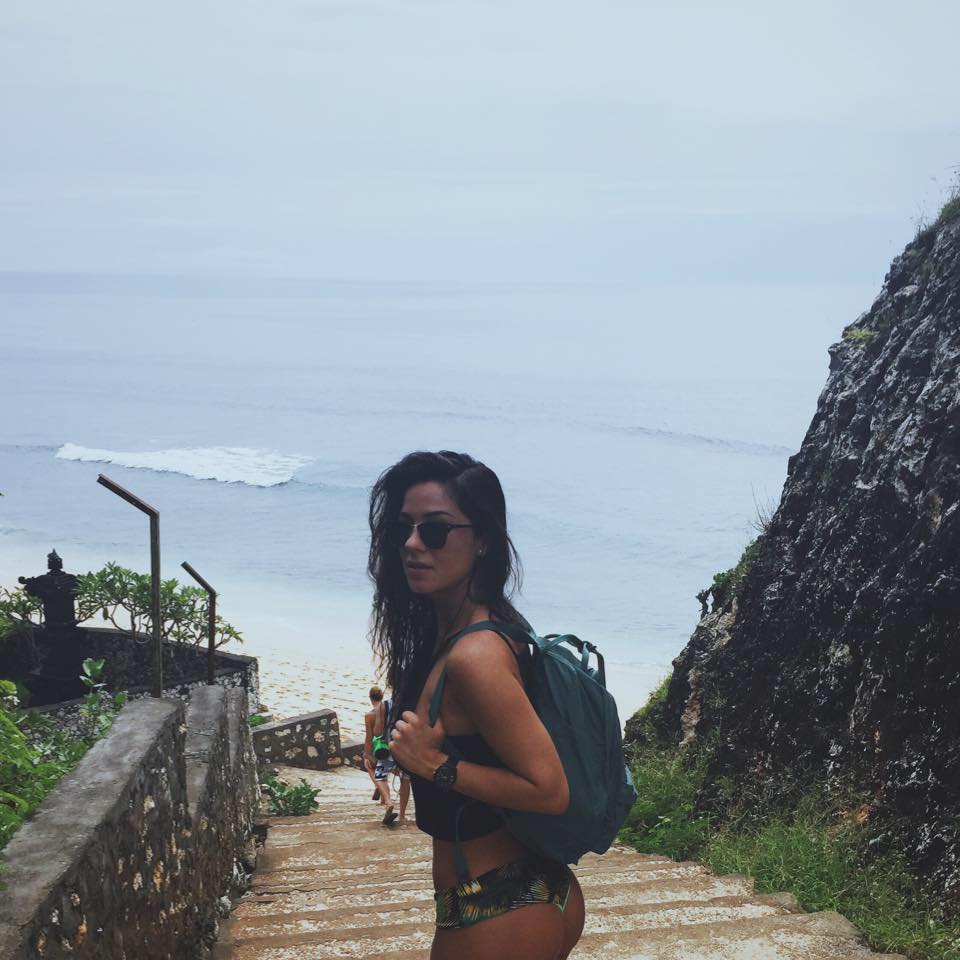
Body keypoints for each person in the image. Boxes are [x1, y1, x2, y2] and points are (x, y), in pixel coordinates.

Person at [368, 451, 584, 960]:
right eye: (404, 528)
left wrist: (434, 765)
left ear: (482, 539)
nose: (413, 544)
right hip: (523, 890)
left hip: (496, 908)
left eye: (435, 531)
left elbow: (549, 789)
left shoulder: (475, 654)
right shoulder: (485, 626)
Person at [364, 686, 397, 825]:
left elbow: (370, 736)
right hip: (393, 745)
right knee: (383, 771)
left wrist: (366, 754)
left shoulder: (369, 715)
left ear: (370, 698)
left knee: (372, 769)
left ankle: (386, 799)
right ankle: (383, 799)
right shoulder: (390, 708)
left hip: (378, 747)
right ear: (381, 696)